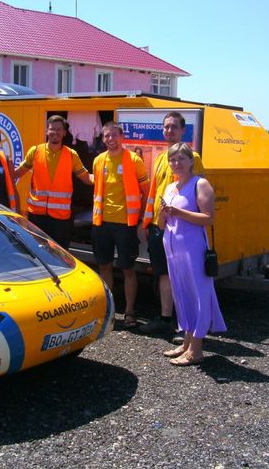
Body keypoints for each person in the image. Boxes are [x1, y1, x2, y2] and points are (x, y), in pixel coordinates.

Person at [158, 142, 226, 365]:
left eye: (181, 159)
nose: (176, 163)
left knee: (198, 294)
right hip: (173, 250)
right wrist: (162, 214)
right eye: (172, 159)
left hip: (193, 248)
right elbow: (161, 225)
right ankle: (186, 343)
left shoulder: (200, 184)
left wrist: (178, 212)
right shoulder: (170, 187)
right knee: (182, 293)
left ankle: (196, 350)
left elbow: (209, 218)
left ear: (191, 161)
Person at [139, 111, 203, 338]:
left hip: (181, 229)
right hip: (160, 228)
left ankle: (184, 325)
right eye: (166, 127)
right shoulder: (160, 158)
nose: (169, 131)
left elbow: (197, 195)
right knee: (164, 275)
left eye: (174, 127)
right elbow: (153, 195)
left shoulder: (192, 156)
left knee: (182, 275)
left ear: (183, 130)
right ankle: (166, 319)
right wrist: (146, 223)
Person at [92, 122, 150, 328]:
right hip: (102, 223)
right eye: (106, 136)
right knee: (104, 266)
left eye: (114, 135)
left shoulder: (133, 160)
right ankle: (109, 310)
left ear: (121, 136)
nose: (110, 139)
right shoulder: (99, 160)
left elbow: (146, 191)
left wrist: (142, 219)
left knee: (128, 269)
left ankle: (129, 312)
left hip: (126, 225)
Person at [15, 115, 93, 249]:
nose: (55, 132)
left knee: (60, 256)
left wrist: (106, 178)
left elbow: (86, 178)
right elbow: (18, 173)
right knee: (37, 254)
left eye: (58, 129)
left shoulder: (71, 155)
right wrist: (0, 168)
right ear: (47, 131)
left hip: (60, 219)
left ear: (64, 133)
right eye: (52, 129)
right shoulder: (35, 151)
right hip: (36, 216)